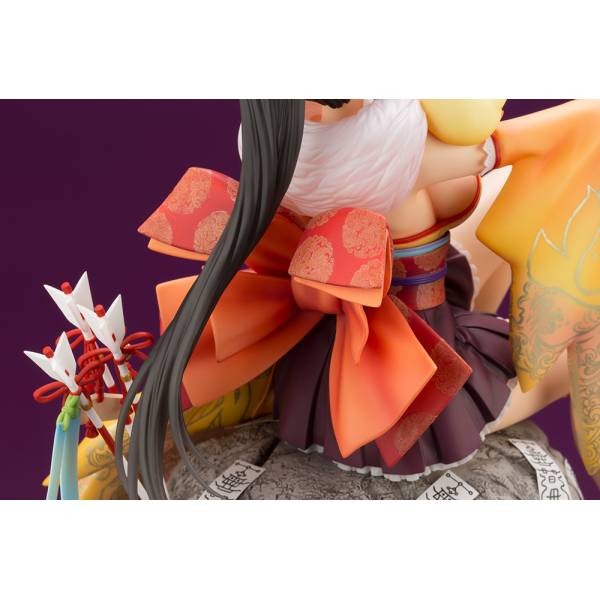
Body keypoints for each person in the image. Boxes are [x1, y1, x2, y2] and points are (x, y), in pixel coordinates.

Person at [117, 99, 600, 498]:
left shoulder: (301, 157)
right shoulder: (394, 150)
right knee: (550, 367)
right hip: (412, 354)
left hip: (342, 344)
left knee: (480, 261)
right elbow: (478, 168)